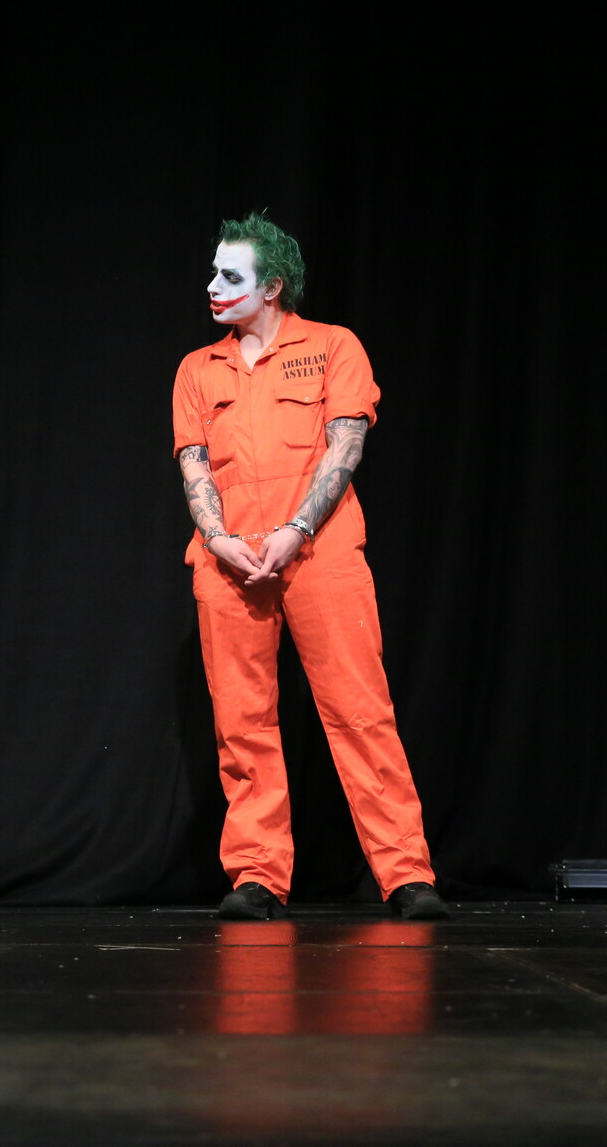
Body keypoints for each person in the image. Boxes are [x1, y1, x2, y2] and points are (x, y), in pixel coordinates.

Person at [172, 213, 447, 921]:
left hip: (320, 553)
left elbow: (345, 445)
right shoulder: (199, 369)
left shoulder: (332, 346)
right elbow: (194, 465)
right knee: (242, 721)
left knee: (359, 710)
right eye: (212, 272)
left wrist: (294, 532)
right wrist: (220, 539)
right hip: (228, 562)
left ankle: (406, 872)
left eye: (229, 275)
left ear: (272, 286)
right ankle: (257, 874)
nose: (212, 286)